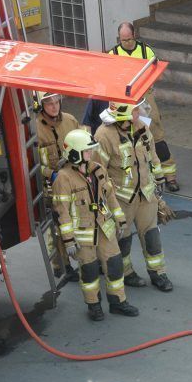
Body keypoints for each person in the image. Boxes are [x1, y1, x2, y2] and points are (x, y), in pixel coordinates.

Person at [52, 129, 138, 320]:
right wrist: (68, 241)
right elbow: (62, 212)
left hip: (104, 229)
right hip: (83, 236)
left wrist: (120, 219)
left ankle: (118, 302)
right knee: (89, 272)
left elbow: (110, 196)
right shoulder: (63, 178)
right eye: (87, 151)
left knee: (115, 265)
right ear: (75, 153)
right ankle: (94, 306)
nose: (91, 154)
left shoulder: (98, 169)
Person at [93, 102, 173, 293]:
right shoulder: (103, 135)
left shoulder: (142, 127)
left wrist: (159, 178)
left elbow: (152, 154)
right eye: (135, 109)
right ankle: (127, 273)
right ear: (123, 115)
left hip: (145, 193)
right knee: (123, 239)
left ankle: (158, 273)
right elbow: (98, 170)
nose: (140, 112)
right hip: (121, 199)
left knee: (152, 236)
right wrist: (106, 200)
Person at [109, 22, 178, 192]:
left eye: (129, 39)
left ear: (135, 36)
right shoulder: (113, 54)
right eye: (123, 40)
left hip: (144, 95)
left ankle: (170, 175)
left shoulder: (146, 51)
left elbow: (156, 71)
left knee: (155, 132)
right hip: (124, 98)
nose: (126, 43)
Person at [35, 91, 80, 281]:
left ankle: (87, 259)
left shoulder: (70, 120)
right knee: (56, 228)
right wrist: (50, 173)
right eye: (49, 103)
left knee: (78, 221)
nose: (54, 106)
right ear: (41, 105)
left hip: (74, 182)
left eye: (56, 102)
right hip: (51, 187)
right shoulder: (34, 129)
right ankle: (61, 265)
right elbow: (33, 164)